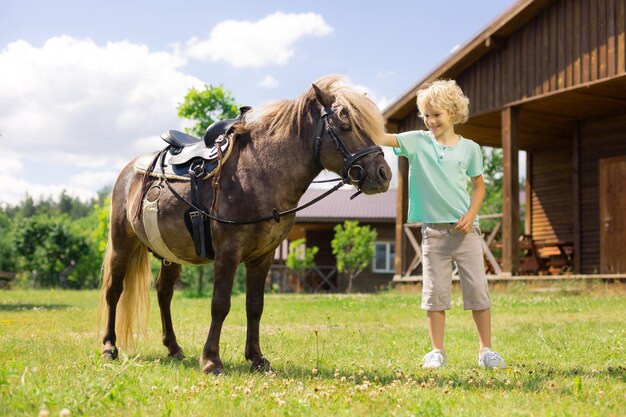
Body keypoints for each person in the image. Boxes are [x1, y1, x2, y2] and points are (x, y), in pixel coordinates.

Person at [374, 79, 505, 369]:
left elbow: (479, 186)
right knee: (435, 294)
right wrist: (360, 116)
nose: (431, 120)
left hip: (466, 232)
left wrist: (471, 215)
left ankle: (486, 350)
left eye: (437, 114)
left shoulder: (470, 148)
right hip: (433, 233)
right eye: (427, 115)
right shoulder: (418, 142)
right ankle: (437, 351)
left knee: (478, 291)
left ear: (454, 113)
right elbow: (382, 138)